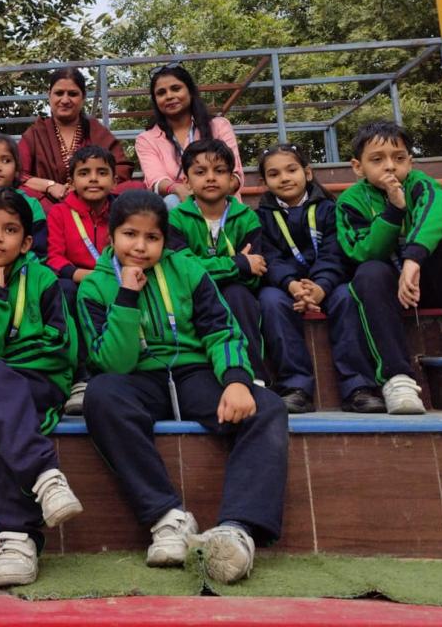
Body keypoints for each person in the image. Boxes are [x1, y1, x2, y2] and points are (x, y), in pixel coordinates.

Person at [79, 191, 288, 585]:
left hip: (195, 374)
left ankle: (237, 531)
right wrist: (126, 296)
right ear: (111, 236)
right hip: (138, 379)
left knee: (269, 407)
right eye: (129, 235)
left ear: (165, 240)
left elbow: (221, 329)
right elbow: (112, 363)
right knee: (101, 395)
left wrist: (237, 380)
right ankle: (167, 518)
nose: (140, 247)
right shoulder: (94, 287)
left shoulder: (188, 269)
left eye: (152, 237)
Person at [0, 188, 82, 588]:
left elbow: (60, 346)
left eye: (10, 230)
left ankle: (15, 537)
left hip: (41, 382)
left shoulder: (43, 279)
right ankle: (45, 478)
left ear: (25, 242)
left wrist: (3, 356)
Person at [337, 121, 442, 415]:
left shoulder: (420, 183)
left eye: (399, 158)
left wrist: (413, 259)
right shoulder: (350, 201)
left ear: (410, 161)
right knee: (369, 272)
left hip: (428, 283)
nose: (390, 166)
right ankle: (397, 378)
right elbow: (362, 251)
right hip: (386, 294)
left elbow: (440, 212)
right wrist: (394, 210)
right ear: (357, 167)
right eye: (377, 159)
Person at [255, 144, 383, 415]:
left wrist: (321, 286)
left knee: (347, 297)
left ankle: (358, 387)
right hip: (285, 286)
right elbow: (270, 258)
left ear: (308, 173)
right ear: (264, 182)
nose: (284, 178)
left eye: (292, 170)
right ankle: (295, 387)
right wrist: (291, 284)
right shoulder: (260, 218)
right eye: (274, 174)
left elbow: (335, 252)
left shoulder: (331, 209)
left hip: (329, 282)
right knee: (269, 301)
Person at [164, 140, 266, 380]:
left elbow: (255, 274)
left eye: (219, 171)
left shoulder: (247, 218)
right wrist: (237, 264)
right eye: (200, 172)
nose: (210, 178)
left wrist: (240, 268)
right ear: (187, 182)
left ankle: (253, 376)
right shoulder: (175, 219)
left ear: (232, 180)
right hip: (190, 294)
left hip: (236, 293)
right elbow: (182, 270)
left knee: (238, 294)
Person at [45, 144, 116, 416]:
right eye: (84, 173)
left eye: (102, 173)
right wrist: (85, 276)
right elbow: (54, 258)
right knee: (65, 290)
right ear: (71, 182)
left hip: (115, 278)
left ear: (114, 179)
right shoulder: (60, 213)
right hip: (77, 280)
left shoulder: (121, 210)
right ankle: (82, 377)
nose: (94, 179)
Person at [18, 67, 133, 207]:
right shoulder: (36, 133)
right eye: (59, 93)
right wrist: (50, 186)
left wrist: (84, 185)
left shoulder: (96, 130)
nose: (65, 100)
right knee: (22, 194)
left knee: (134, 188)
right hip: (49, 204)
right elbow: (18, 174)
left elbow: (121, 168)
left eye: (72, 94)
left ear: (83, 97)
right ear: (49, 95)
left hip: (92, 199)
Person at [135, 65, 243, 209]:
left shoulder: (219, 126)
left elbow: (235, 176)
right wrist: (178, 189)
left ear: (190, 91)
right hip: (178, 205)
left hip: (221, 202)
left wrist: (204, 195)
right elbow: (156, 180)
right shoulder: (146, 139)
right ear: (155, 100)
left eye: (176, 89)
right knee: (171, 201)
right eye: (161, 93)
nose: (169, 96)